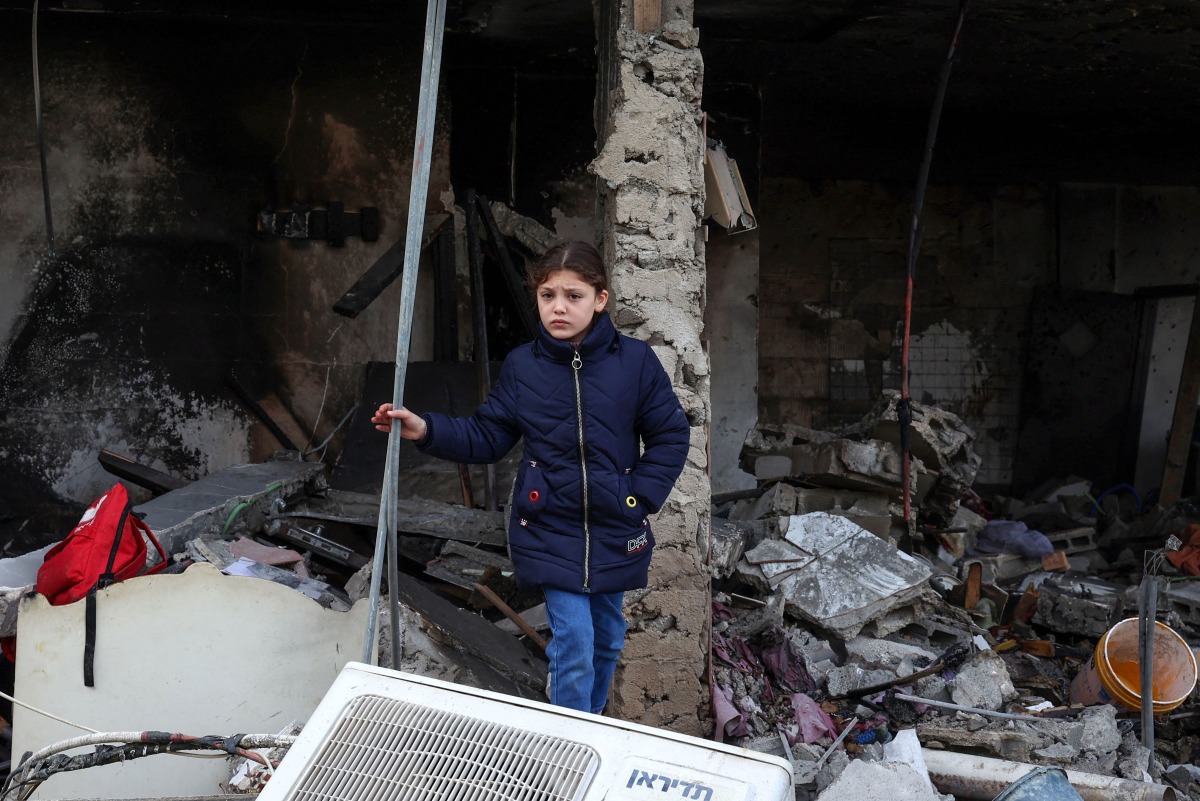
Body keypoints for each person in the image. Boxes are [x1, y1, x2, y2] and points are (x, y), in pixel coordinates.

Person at [371, 240, 689, 715]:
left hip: (614, 524)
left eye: (573, 296)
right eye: (547, 295)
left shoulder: (635, 362)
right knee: (575, 642)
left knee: (606, 638)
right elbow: (487, 436)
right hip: (549, 526)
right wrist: (426, 428)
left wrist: (637, 498)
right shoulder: (524, 366)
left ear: (600, 299)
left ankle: (593, 725)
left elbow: (670, 435)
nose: (558, 307)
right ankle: (568, 742)